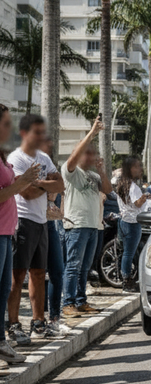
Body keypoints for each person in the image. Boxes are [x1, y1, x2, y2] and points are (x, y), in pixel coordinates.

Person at [7, 114, 65, 342]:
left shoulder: (43, 157)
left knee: (39, 273)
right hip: (23, 221)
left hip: (42, 221)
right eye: (37, 132)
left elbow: (60, 185)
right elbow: (26, 193)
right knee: (17, 275)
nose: (42, 136)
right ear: (24, 133)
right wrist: (46, 185)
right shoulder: (16, 158)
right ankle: (13, 325)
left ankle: (38, 323)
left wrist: (38, 182)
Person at [0, 105, 40, 365]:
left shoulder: (2, 156)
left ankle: (1, 343)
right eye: (5, 123)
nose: (10, 128)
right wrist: (22, 182)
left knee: (4, 289)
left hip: (6, 232)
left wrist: (22, 180)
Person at [61, 117, 111, 316]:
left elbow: (108, 189)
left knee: (85, 268)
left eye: (93, 154)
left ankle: (81, 301)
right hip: (76, 225)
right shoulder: (71, 171)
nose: (92, 157)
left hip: (93, 226)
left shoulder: (94, 176)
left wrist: (101, 170)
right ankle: (68, 303)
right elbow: (73, 159)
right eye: (87, 153)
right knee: (73, 266)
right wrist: (92, 133)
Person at [39, 137, 69, 332]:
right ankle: (38, 320)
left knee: (57, 271)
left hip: (50, 223)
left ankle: (54, 318)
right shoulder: (25, 162)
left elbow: (58, 189)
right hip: (32, 222)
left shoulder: (49, 165)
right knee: (37, 273)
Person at [115, 156, 151, 294]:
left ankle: (126, 277)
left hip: (123, 221)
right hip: (133, 222)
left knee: (126, 252)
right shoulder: (133, 187)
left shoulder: (122, 184)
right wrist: (145, 197)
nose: (140, 169)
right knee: (129, 253)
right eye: (137, 167)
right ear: (130, 169)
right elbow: (137, 204)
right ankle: (127, 281)